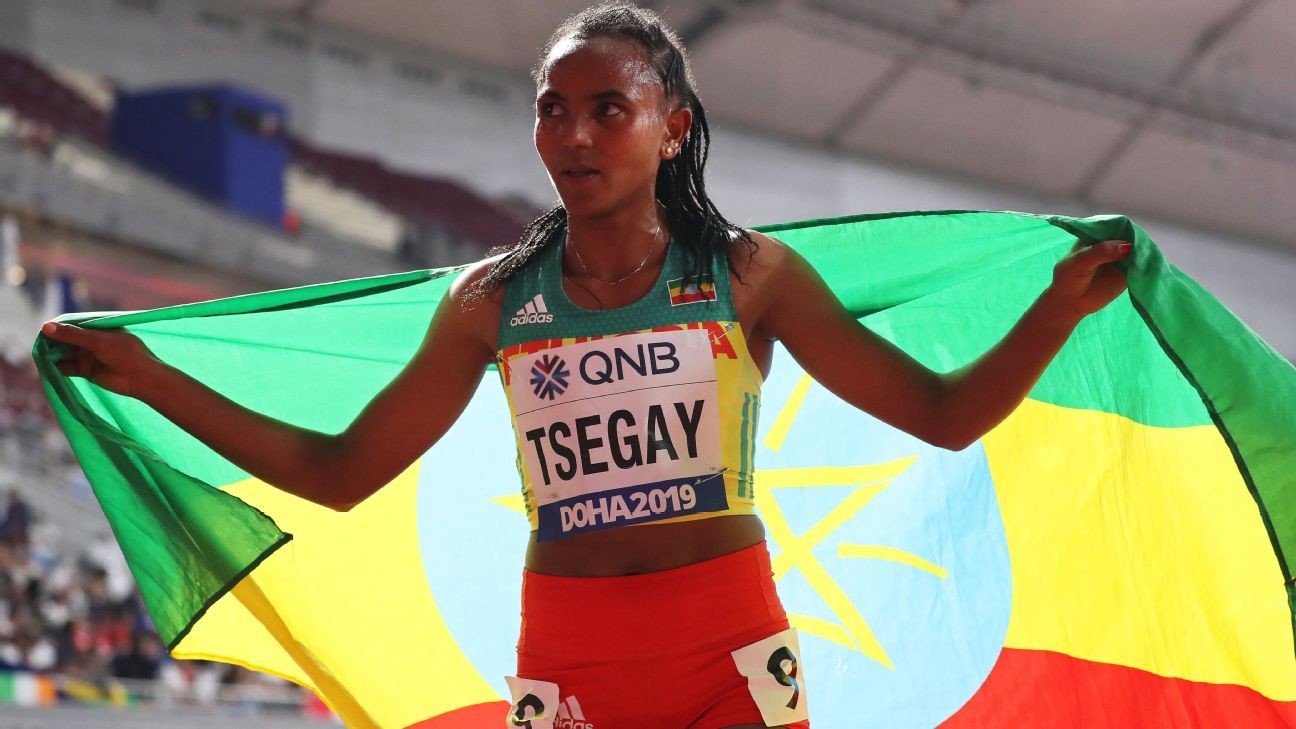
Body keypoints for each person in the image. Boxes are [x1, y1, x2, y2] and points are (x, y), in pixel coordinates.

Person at [37, 3, 1131, 727]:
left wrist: (1056, 310)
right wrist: (151, 379)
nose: (575, 134)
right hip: (570, 656)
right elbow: (340, 471)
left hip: (728, 650)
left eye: (611, 109)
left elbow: (943, 413)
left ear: (672, 128)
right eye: (553, 111)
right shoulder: (490, 303)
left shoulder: (749, 275)